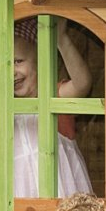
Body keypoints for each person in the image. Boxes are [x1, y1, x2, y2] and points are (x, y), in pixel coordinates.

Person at [12, 17, 93, 198]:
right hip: (20, 195)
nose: (12, 71)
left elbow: (82, 83)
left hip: (61, 191)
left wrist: (61, 40)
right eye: (7, 64)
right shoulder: (5, 107)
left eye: (18, 61)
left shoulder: (55, 94)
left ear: (40, 61)